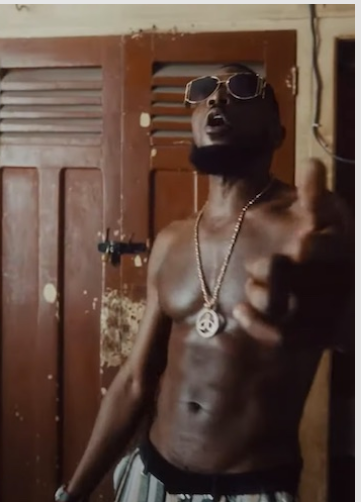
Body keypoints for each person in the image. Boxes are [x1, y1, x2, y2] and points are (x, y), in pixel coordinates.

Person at [54, 65, 353, 502]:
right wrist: (73, 493)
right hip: (149, 477)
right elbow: (135, 381)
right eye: (205, 90)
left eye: (243, 87)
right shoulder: (172, 241)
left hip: (249, 489)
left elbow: (341, 319)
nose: (217, 98)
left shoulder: (307, 233)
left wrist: (346, 319)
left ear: (277, 132)